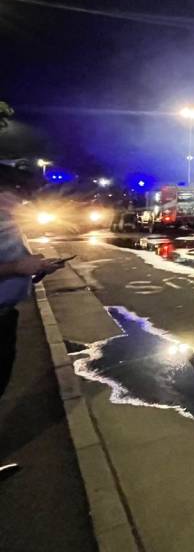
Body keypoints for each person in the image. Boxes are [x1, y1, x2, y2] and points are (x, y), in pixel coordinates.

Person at [0, 165, 65, 481]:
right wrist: (16, 266)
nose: (19, 203)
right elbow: (11, 265)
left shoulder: (9, 223)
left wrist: (37, 268)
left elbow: (16, 265)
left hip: (6, 315)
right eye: (14, 195)